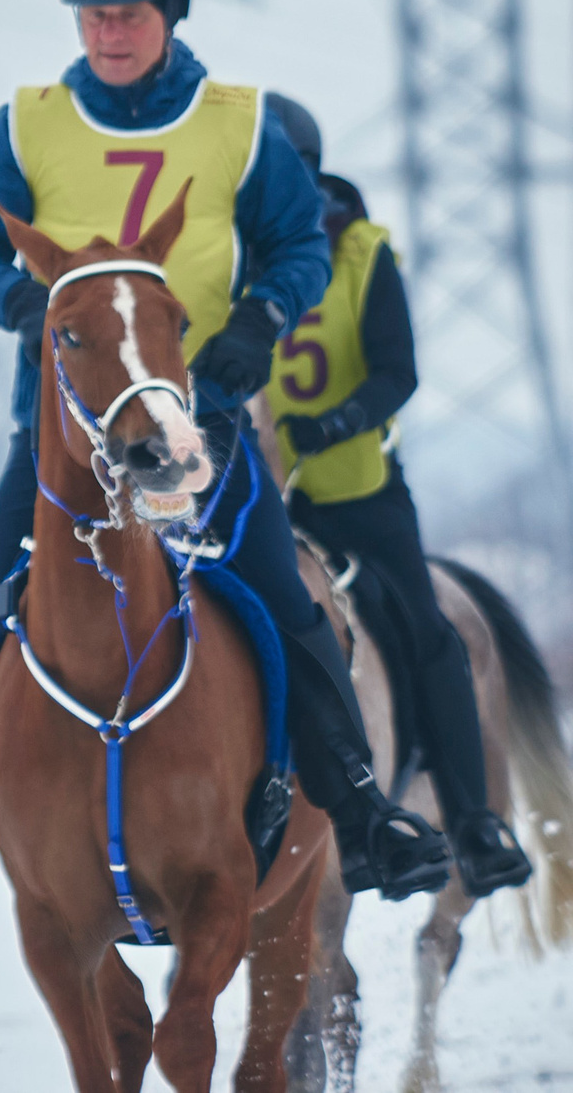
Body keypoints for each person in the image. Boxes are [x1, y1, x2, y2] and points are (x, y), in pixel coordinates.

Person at [0, 0, 452, 936]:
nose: (107, 33)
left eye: (128, 15)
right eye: (93, 15)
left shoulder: (235, 123)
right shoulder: (25, 124)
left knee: (285, 599)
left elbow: (296, 243)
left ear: (169, 17)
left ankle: (363, 815)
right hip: (60, 438)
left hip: (196, 426)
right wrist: (18, 304)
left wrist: (256, 323)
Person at [258, 96, 533, 896]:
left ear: (308, 179)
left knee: (425, 626)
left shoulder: (363, 254)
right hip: (260, 499)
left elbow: (396, 370)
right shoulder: (228, 258)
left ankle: (473, 820)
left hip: (357, 494)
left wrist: (331, 422)